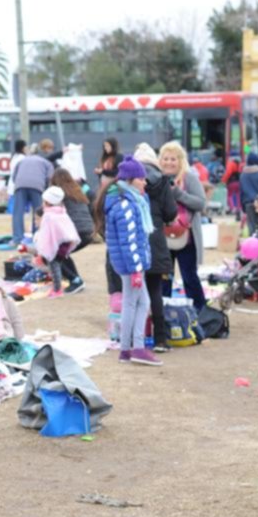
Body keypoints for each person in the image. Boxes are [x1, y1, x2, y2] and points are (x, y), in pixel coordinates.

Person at [100, 156, 159, 366]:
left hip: (129, 263)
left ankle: (129, 348)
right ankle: (135, 347)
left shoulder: (127, 200)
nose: (145, 182)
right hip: (131, 265)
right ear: (132, 179)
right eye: (142, 178)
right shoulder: (126, 204)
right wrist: (135, 269)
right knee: (133, 304)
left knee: (139, 302)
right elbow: (129, 240)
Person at [133, 144, 178, 353]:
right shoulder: (162, 181)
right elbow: (171, 212)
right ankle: (160, 339)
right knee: (155, 290)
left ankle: (135, 339)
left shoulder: (129, 181)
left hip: (133, 241)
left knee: (132, 292)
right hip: (156, 241)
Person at [159, 142, 208, 311]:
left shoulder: (189, 177)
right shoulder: (157, 178)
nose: (169, 162)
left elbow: (201, 203)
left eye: (173, 159)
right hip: (163, 237)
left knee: (189, 277)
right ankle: (163, 315)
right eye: (165, 158)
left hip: (187, 238)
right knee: (164, 278)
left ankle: (200, 312)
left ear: (180, 161)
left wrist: (179, 194)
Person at [50, 168, 95, 294]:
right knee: (63, 253)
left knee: (54, 254)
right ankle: (75, 279)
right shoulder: (78, 191)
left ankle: (75, 280)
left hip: (76, 231)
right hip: (89, 231)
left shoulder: (59, 193)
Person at [34, 186, 79, 299]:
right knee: (57, 267)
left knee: (54, 269)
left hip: (55, 247)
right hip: (63, 245)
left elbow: (46, 234)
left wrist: (42, 250)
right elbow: (67, 229)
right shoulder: (62, 212)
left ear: (47, 202)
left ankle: (57, 290)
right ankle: (57, 287)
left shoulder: (49, 216)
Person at [10, 148, 54, 244]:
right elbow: (50, 177)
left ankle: (17, 238)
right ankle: (37, 236)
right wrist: (45, 189)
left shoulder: (22, 161)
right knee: (38, 212)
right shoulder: (46, 163)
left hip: (20, 185)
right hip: (37, 186)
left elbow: (14, 177)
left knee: (18, 212)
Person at [221, 151, 243, 219]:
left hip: (231, 182)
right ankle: (239, 208)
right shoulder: (241, 164)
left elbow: (228, 173)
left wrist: (223, 181)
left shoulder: (231, 163)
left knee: (229, 195)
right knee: (238, 195)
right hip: (239, 182)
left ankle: (232, 208)